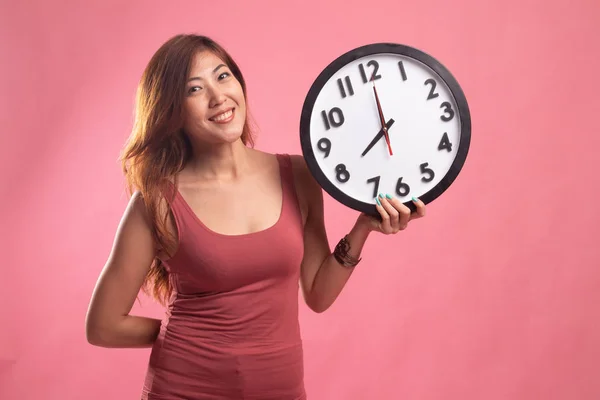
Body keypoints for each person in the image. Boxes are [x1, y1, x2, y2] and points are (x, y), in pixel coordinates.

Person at [85, 33, 426, 400]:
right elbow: (103, 326)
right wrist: (186, 337)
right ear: (172, 111)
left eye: (222, 76)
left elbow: (317, 294)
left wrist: (363, 228)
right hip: (183, 388)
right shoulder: (156, 202)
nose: (218, 98)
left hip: (280, 389)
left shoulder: (298, 174)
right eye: (194, 89)